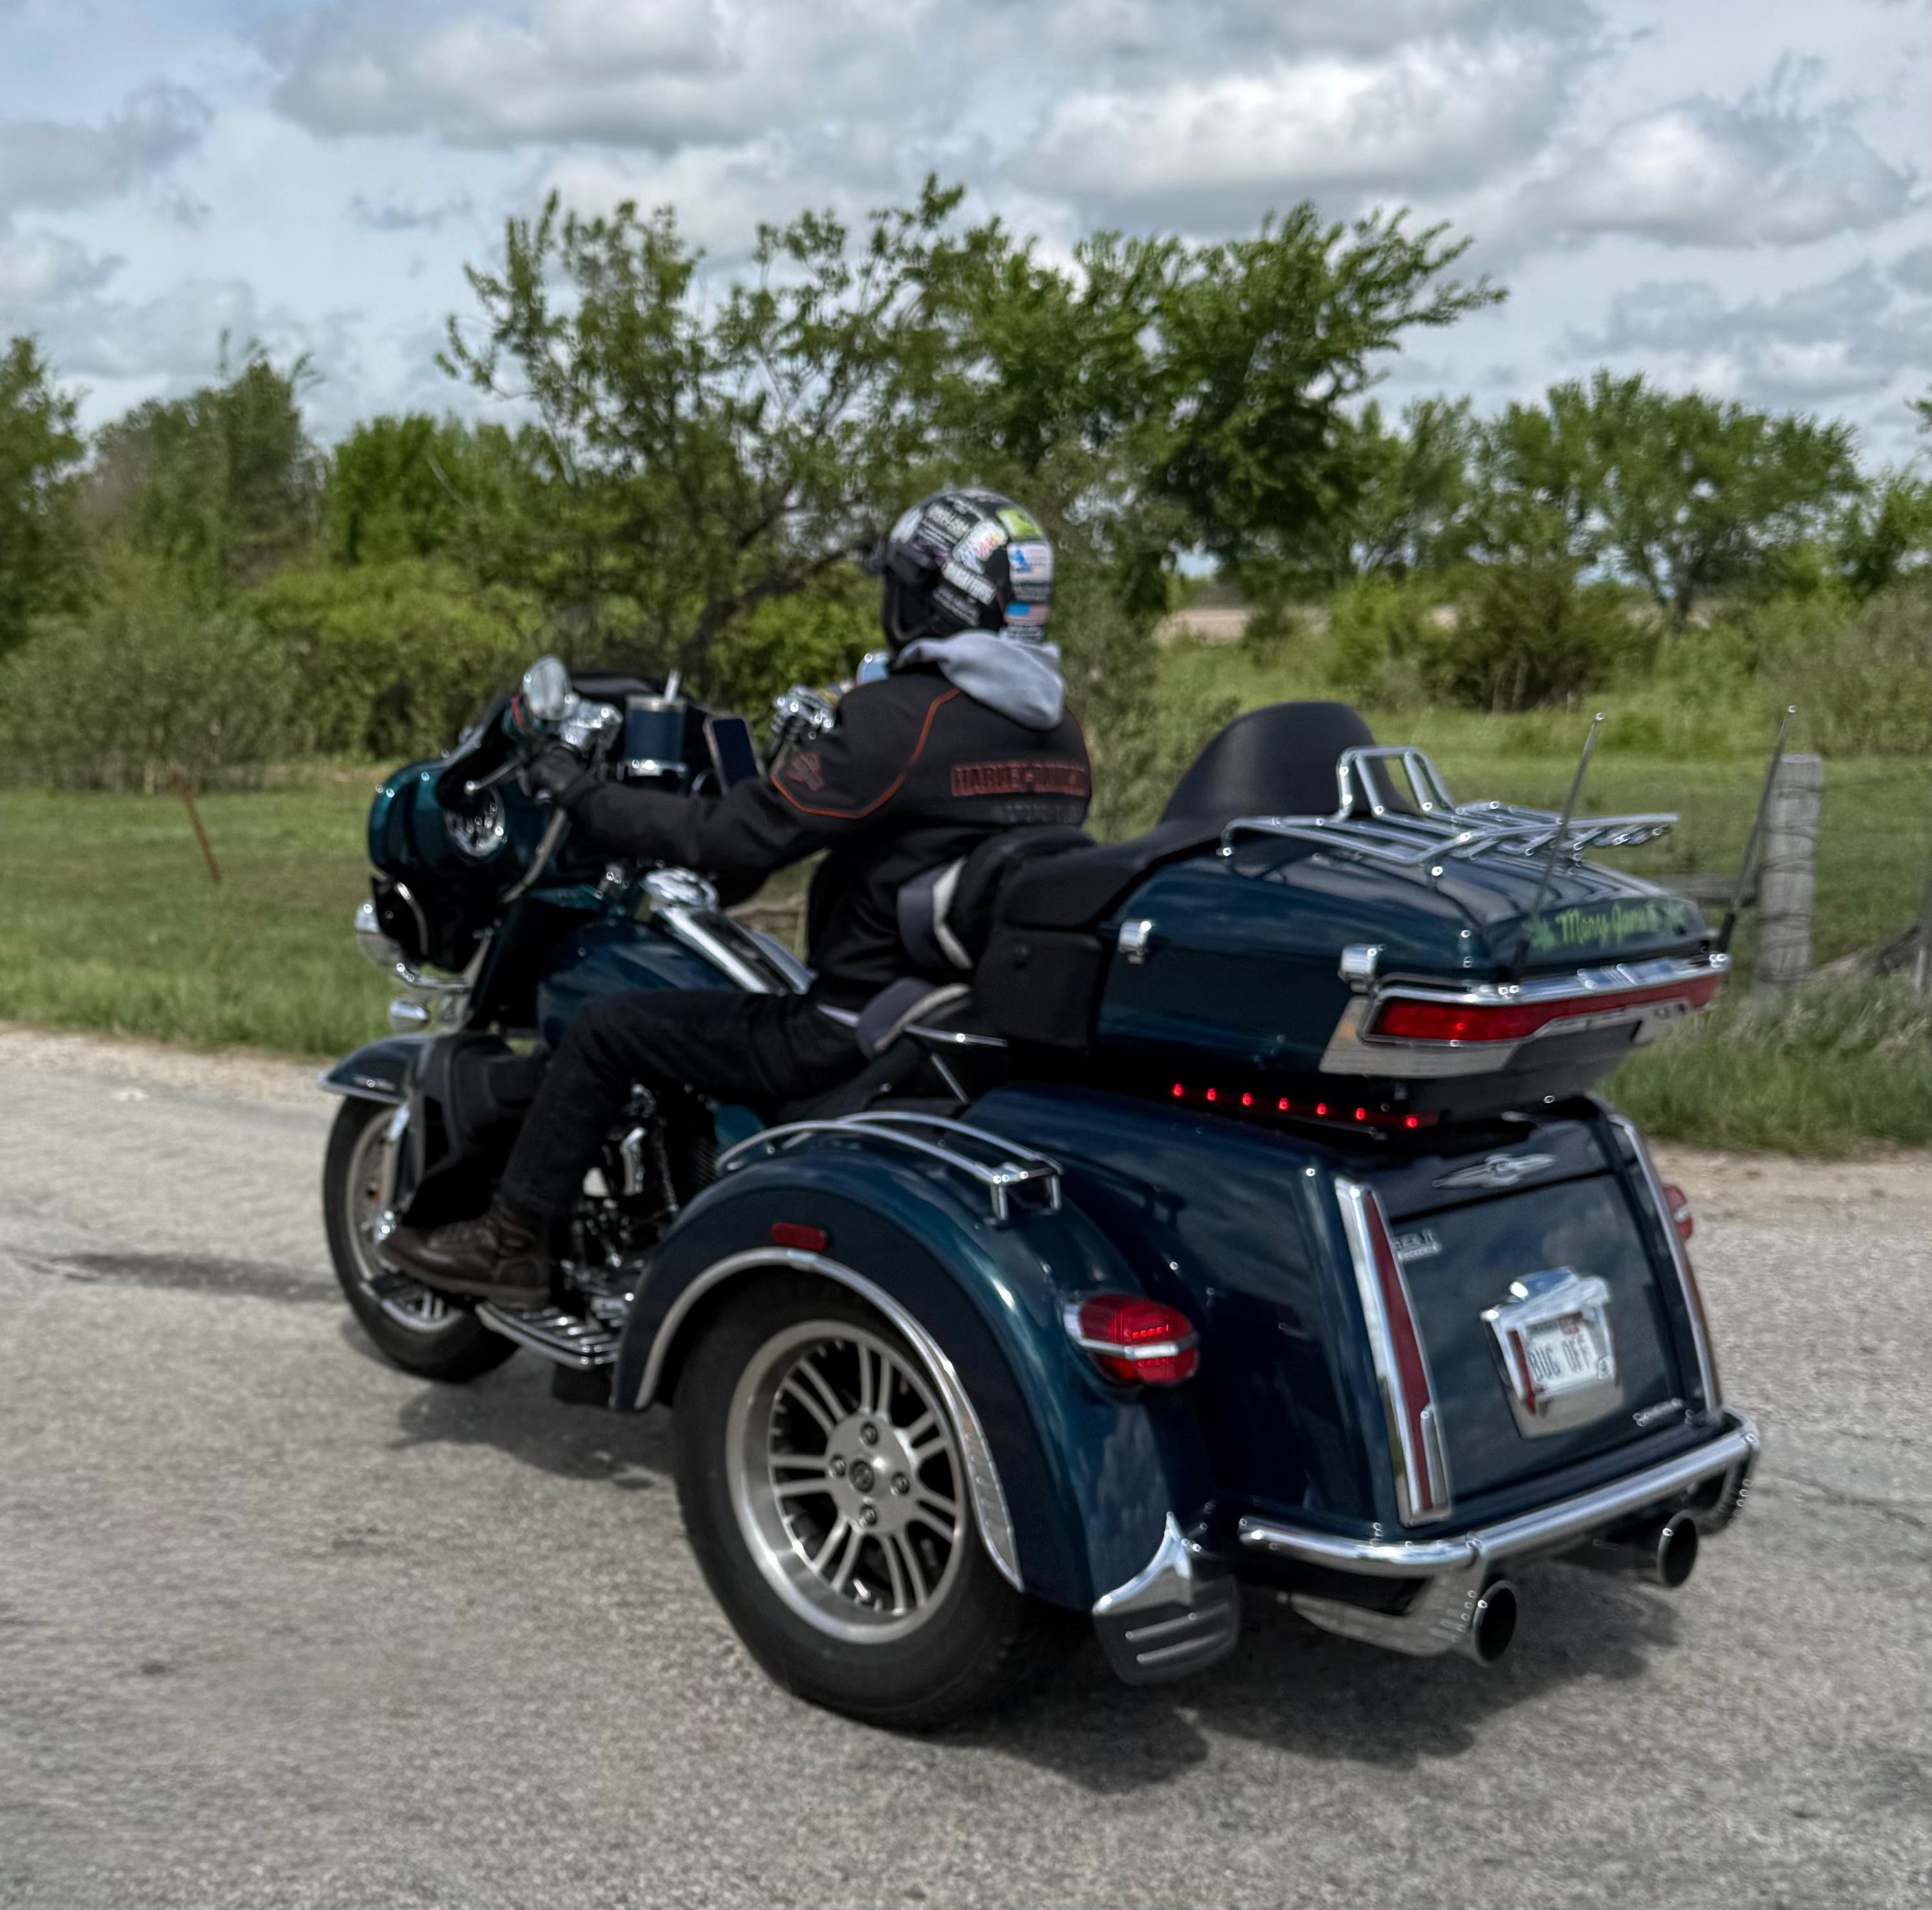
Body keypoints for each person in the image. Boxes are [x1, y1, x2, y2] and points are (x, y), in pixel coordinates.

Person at [385, 489, 1091, 1301]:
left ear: (925, 597)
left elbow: (736, 838)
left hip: (841, 1027)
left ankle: (511, 1242)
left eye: (895, 582)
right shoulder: (1057, 729)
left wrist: (581, 794)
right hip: (955, 1011)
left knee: (607, 1027)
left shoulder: (903, 720)